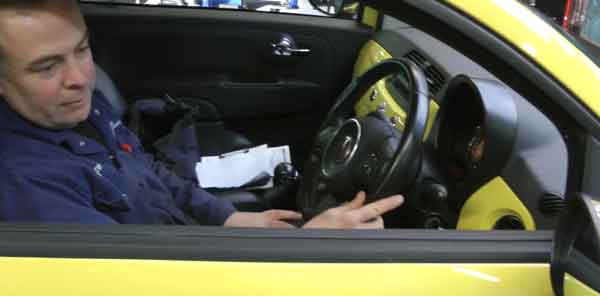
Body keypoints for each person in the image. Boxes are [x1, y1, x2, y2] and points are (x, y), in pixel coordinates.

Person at [0, 0, 404, 228]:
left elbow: (144, 171)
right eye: (46, 66)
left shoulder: (73, 108)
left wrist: (231, 221)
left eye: (82, 49)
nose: (81, 77)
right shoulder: (25, 188)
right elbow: (141, 278)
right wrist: (304, 251)